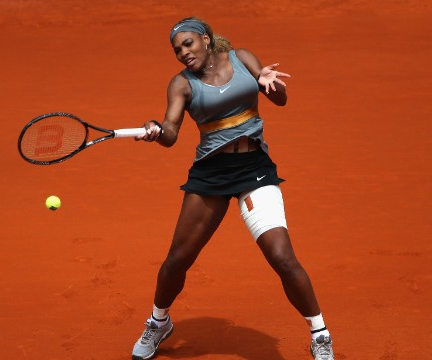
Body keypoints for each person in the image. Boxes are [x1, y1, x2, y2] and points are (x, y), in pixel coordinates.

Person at [131, 17, 334, 360]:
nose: (183, 53)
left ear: (206, 40)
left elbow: (280, 100)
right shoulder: (181, 84)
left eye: (188, 44)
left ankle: (320, 334)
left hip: (254, 169)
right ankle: (158, 321)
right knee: (177, 260)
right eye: (177, 49)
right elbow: (170, 133)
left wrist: (270, 84)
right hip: (211, 174)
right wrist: (155, 129)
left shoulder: (242, 59)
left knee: (282, 257)